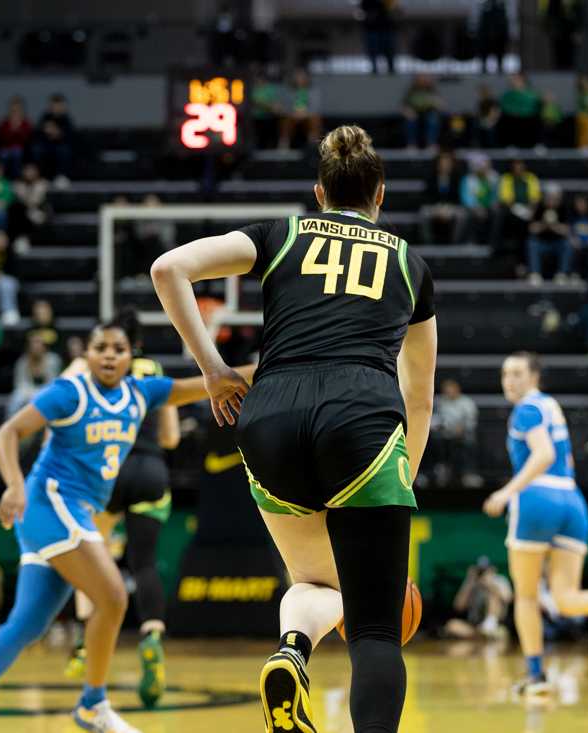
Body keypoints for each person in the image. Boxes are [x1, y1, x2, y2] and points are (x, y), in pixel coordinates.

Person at [151, 125, 438, 732]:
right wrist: (399, 475)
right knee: (377, 626)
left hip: (270, 414)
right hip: (361, 414)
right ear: (379, 194)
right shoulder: (411, 263)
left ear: (318, 192)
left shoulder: (282, 233)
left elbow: (168, 268)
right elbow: (419, 393)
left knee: (311, 580)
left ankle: (292, 651)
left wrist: (214, 371)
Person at [0, 315, 249, 733]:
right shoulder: (69, 392)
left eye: (118, 349)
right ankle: (93, 703)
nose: (110, 356)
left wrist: (268, 369)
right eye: (101, 348)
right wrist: (14, 487)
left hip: (68, 512)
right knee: (113, 597)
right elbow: (6, 433)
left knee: (29, 622)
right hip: (51, 504)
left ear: (132, 356)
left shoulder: (140, 392)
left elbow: (203, 386)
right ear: (86, 355)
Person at [482, 353, 588, 695]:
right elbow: (566, 457)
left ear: (535, 376)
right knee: (564, 598)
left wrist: (505, 493)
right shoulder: (552, 407)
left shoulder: (526, 410)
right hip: (573, 501)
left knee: (526, 596)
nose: (509, 381)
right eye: (505, 374)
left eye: (518, 373)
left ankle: (536, 676)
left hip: (538, 499)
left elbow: (544, 454)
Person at [64, 315, 181, 707]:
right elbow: (171, 437)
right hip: (151, 470)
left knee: (90, 556)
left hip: (108, 469)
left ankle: (85, 641)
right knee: (144, 563)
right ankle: (151, 634)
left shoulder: (97, 366)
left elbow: (60, 391)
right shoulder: (155, 371)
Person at [443, 556, 513, 639]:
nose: (482, 574)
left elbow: (508, 599)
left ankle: (488, 628)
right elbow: (458, 606)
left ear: (492, 570)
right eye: (480, 571)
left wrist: (490, 586)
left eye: (485, 570)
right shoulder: (471, 583)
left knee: (492, 597)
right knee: (452, 625)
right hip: (475, 626)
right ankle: (482, 635)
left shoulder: (500, 580)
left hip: (496, 624)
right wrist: (469, 582)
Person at [430, 378, 479, 487]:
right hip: (445, 436)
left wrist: (462, 428)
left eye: (451, 390)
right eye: (446, 390)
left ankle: (468, 474)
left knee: (464, 444)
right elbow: (436, 419)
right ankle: (441, 470)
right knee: (434, 441)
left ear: (457, 389)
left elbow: (471, 422)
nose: (449, 392)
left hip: (464, 435)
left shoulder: (467, 402)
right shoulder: (441, 402)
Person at [492, 158, 540, 258]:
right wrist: (518, 210)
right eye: (516, 167)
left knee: (527, 221)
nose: (518, 169)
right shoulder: (506, 178)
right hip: (511, 211)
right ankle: (497, 248)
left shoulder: (531, 178)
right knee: (503, 215)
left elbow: (535, 198)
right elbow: (506, 199)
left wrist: (529, 211)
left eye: (520, 166)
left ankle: (523, 254)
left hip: (528, 211)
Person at [6, 333, 62, 418]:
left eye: (39, 344)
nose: (36, 347)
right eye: (33, 344)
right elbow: (20, 384)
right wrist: (31, 394)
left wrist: (38, 394)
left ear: (44, 347)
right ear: (28, 347)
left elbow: (54, 383)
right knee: (15, 400)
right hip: (27, 390)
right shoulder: (22, 362)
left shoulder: (53, 360)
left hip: (47, 389)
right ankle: (10, 428)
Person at [525, 183, 572, 283]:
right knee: (531, 243)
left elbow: (566, 230)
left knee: (567, 244)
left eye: (555, 198)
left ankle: (562, 274)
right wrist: (544, 224)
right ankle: (535, 274)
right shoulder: (539, 208)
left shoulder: (564, 208)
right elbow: (531, 229)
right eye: (549, 197)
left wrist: (553, 226)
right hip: (541, 242)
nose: (552, 201)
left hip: (557, 242)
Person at [420, 150, 465, 244]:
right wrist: (438, 209)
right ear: (438, 164)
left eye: (447, 163)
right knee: (423, 213)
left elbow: (459, 197)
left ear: (452, 164)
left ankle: (455, 242)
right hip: (435, 207)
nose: (445, 165)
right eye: (442, 163)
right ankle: (428, 242)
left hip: (451, 207)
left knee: (462, 214)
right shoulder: (431, 177)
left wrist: (447, 209)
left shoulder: (457, 177)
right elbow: (427, 197)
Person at [34, 93, 74, 187]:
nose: (56, 108)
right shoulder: (45, 117)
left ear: (63, 106)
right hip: (46, 145)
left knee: (64, 151)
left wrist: (58, 133)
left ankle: (61, 176)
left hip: (61, 146)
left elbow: (69, 136)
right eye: (54, 105)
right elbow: (39, 133)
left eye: (59, 105)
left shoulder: (66, 119)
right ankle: (43, 177)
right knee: (37, 149)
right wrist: (48, 132)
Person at [9, 162, 51, 252]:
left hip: (40, 212)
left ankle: (26, 238)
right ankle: (22, 239)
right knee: (18, 209)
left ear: (37, 172)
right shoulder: (18, 184)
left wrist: (29, 202)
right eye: (27, 170)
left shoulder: (43, 183)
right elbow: (26, 202)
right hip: (24, 213)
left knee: (35, 213)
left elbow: (36, 201)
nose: (29, 173)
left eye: (32, 170)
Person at [459, 153, 499, 243]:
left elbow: (496, 195)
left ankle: (493, 242)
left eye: (486, 165)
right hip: (473, 208)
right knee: (467, 215)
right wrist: (476, 208)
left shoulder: (494, 177)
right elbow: (465, 198)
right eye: (480, 166)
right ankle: (469, 241)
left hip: (489, 207)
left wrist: (491, 204)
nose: (483, 168)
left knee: (497, 213)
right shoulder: (467, 179)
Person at [278, 69, 321, 150]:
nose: (300, 79)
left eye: (302, 77)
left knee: (315, 118)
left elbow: (315, 107)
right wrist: (294, 113)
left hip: (308, 115)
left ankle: (313, 144)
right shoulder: (289, 91)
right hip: (292, 115)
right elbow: (284, 106)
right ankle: (284, 143)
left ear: (306, 79)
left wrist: (304, 113)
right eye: (297, 77)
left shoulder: (313, 91)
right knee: (285, 120)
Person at [0, 97, 33, 179]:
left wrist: (18, 130)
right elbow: (0, 139)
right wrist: (11, 131)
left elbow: (28, 140)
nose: (15, 112)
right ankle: (2, 178)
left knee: (17, 153)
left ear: (22, 110)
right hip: (5, 149)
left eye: (18, 109)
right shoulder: (4, 123)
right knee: (3, 154)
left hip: (21, 150)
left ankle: (16, 178)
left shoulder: (26, 123)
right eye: (13, 109)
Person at [498, 73, 541, 148]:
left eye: (518, 79)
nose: (515, 81)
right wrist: (515, 112)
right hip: (512, 120)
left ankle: (536, 144)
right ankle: (510, 144)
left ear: (524, 81)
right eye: (514, 80)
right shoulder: (507, 95)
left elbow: (534, 107)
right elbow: (505, 107)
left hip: (529, 120)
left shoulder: (532, 94)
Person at [402, 74, 443, 149]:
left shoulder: (432, 91)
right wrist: (408, 112)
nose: (423, 80)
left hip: (429, 112)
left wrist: (436, 103)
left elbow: (441, 105)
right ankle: (411, 144)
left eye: (425, 79)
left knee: (433, 119)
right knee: (410, 121)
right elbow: (403, 106)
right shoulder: (412, 91)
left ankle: (431, 143)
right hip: (414, 113)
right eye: (421, 78)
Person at [358, 0, 398, 73]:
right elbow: (363, 9)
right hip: (372, 28)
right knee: (373, 49)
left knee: (389, 48)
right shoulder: (367, 2)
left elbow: (394, 10)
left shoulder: (388, 2)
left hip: (386, 27)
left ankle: (391, 67)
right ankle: (375, 68)